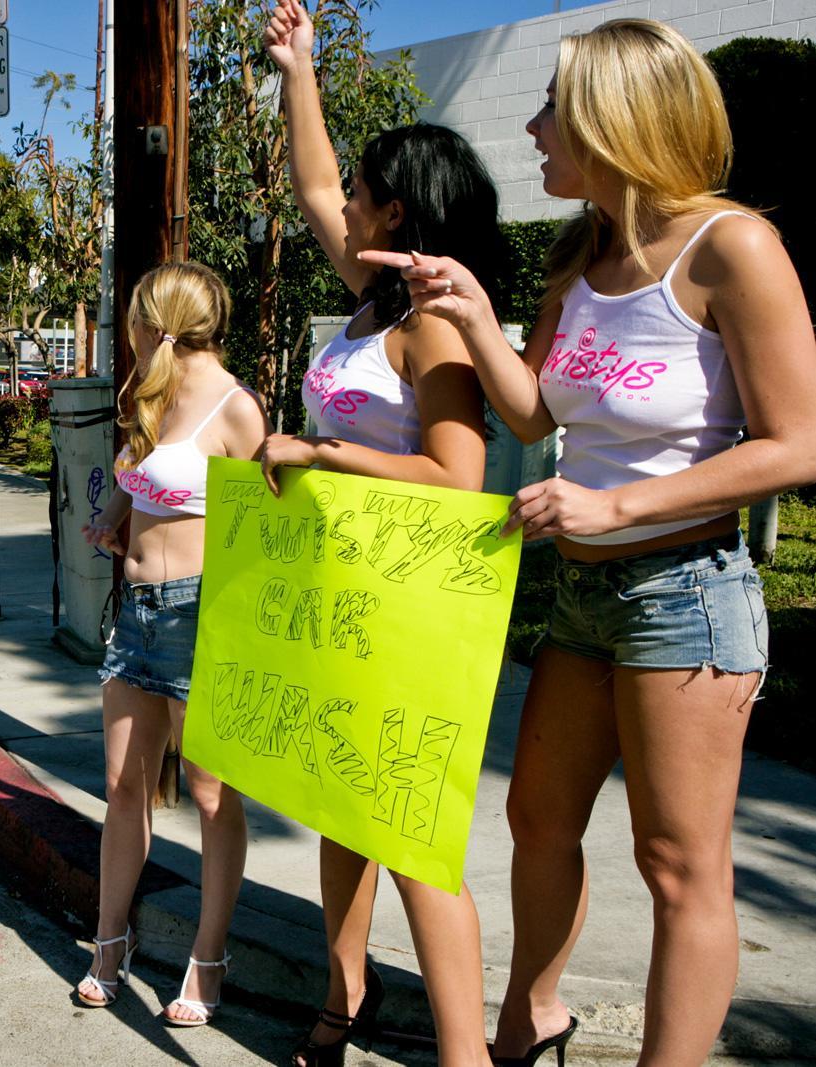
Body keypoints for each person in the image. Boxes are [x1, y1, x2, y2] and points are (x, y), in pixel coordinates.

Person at [359, 17, 816, 1066]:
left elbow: (794, 443)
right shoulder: (577, 255)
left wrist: (614, 507)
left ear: (615, 117)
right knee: (534, 816)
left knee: (675, 862)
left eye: (549, 108)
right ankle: (533, 1015)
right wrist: (473, 314)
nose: (530, 127)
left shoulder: (730, 246)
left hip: (686, 587)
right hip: (580, 595)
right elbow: (529, 416)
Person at [260, 4, 509, 1065]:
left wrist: (319, 457)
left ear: (396, 208)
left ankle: (459, 1052)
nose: (340, 203)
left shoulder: (438, 325)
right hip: (340, 587)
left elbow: (457, 478)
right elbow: (314, 182)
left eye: (361, 193)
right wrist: (297, 69)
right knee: (338, 809)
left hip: (411, 603)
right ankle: (340, 996)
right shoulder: (375, 299)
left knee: (412, 835)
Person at [75, 261, 268, 1025]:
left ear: (160, 322)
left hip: (202, 615)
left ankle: (207, 957)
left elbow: (262, 535)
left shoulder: (235, 407)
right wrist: (112, 520)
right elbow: (137, 479)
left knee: (213, 796)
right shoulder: (152, 399)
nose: (129, 328)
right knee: (124, 784)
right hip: (138, 613)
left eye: (135, 317)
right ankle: (108, 942)